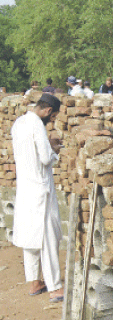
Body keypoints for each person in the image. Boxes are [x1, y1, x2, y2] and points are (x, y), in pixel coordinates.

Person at [11, 93, 64, 302]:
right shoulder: (37, 125)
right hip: (41, 189)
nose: (52, 121)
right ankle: (55, 287)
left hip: (25, 188)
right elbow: (43, 158)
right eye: (53, 117)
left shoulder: (19, 122)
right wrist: (55, 153)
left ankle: (34, 282)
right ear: (48, 111)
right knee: (48, 237)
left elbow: (30, 152)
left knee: (31, 236)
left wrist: (47, 144)